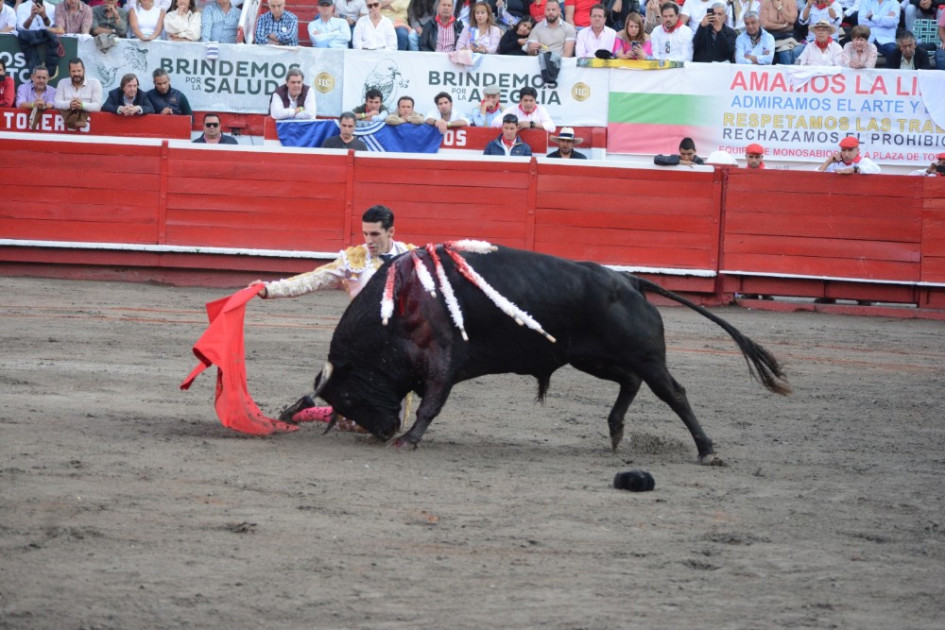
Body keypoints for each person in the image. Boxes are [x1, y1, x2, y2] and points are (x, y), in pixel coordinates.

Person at [259, 205, 412, 300]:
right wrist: (269, 290)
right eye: (365, 234)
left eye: (374, 234)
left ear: (390, 232)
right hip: (367, 335)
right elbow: (313, 279)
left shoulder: (411, 256)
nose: (368, 240)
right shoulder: (354, 259)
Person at [54, 58, 103, 130]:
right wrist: (69, 104)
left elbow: (97, 106)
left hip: (90, 128)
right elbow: (56, 103)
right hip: (64, 128)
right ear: (69, 72)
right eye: (73, 71)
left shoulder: (95, 83)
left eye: (79, 71)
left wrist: (82, 105)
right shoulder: (62, 83)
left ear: (84, 70)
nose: (76, 74)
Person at [15, 1, 60, 78]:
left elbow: (51, 27)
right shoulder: (22, 7)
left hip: (46, 38)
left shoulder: (51, 7)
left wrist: (44, 15)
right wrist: (31, 16)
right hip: (28, 39)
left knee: (53, 40)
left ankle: (48, 75)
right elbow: (22, 27)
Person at [759, 0, 798, 64]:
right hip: (770, 36)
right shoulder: (765, 2)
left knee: (785, 52)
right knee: (765, 53)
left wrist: (780, 7)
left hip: (787, 36)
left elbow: (792, 20)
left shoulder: (790, 1)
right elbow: (765, 24)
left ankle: (786, 73)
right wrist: (783, 25)